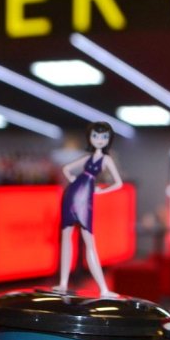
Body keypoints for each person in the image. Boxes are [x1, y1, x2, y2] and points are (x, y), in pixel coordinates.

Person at [53, 122, 123, 297]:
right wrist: (73, 180)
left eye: (104, 136)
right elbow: (66, 169)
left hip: (86, 198)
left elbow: (118, 183)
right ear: (90, 137)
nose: (99, 140)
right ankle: (63, 283)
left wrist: (100, 191)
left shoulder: (106, 160)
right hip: (73, 194)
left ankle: (103, 288)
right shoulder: (88, 157)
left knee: (89, 241)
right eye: (95, 136)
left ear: (109, 139)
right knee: (66, 237)